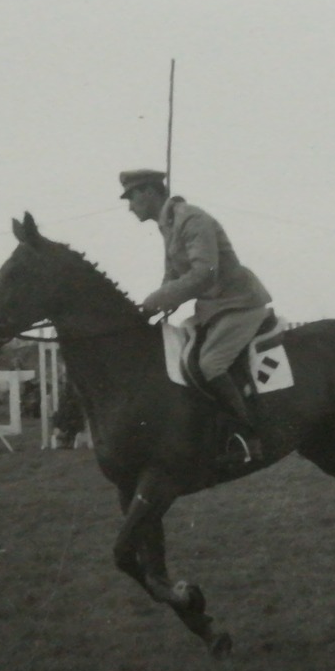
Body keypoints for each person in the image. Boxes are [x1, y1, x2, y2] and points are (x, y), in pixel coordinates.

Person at [120, 168, 273, 462]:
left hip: (239, 304)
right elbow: (173, 277)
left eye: (132, 198)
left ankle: (248, 436)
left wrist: (156, 300)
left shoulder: (191, 219)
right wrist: (148, 310)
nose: (130, 207)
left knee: (210, 364)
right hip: (214, 309)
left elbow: (205, 273)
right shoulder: (168, 225)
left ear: (149, 193)